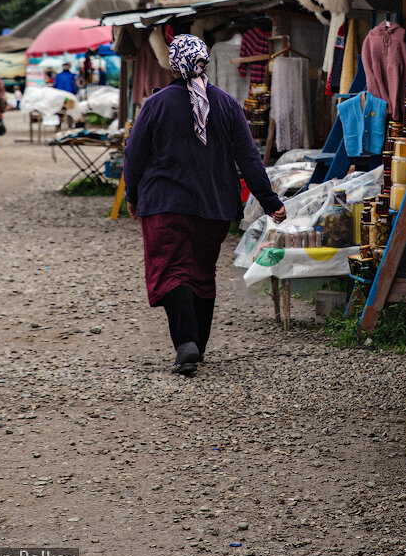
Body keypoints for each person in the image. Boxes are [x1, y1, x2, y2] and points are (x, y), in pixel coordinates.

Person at [123, 34, 287, 376]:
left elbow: (134, 155)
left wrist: (133, 197)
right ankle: (197, 344)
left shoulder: (156, 104)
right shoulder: (226, 104)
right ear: (205, 62)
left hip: (164, 206)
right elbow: (249, 157)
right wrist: (270, 202)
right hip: (213, 208)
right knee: (199, 272)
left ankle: (186, 344)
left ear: (172, 64)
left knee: (171, 270)